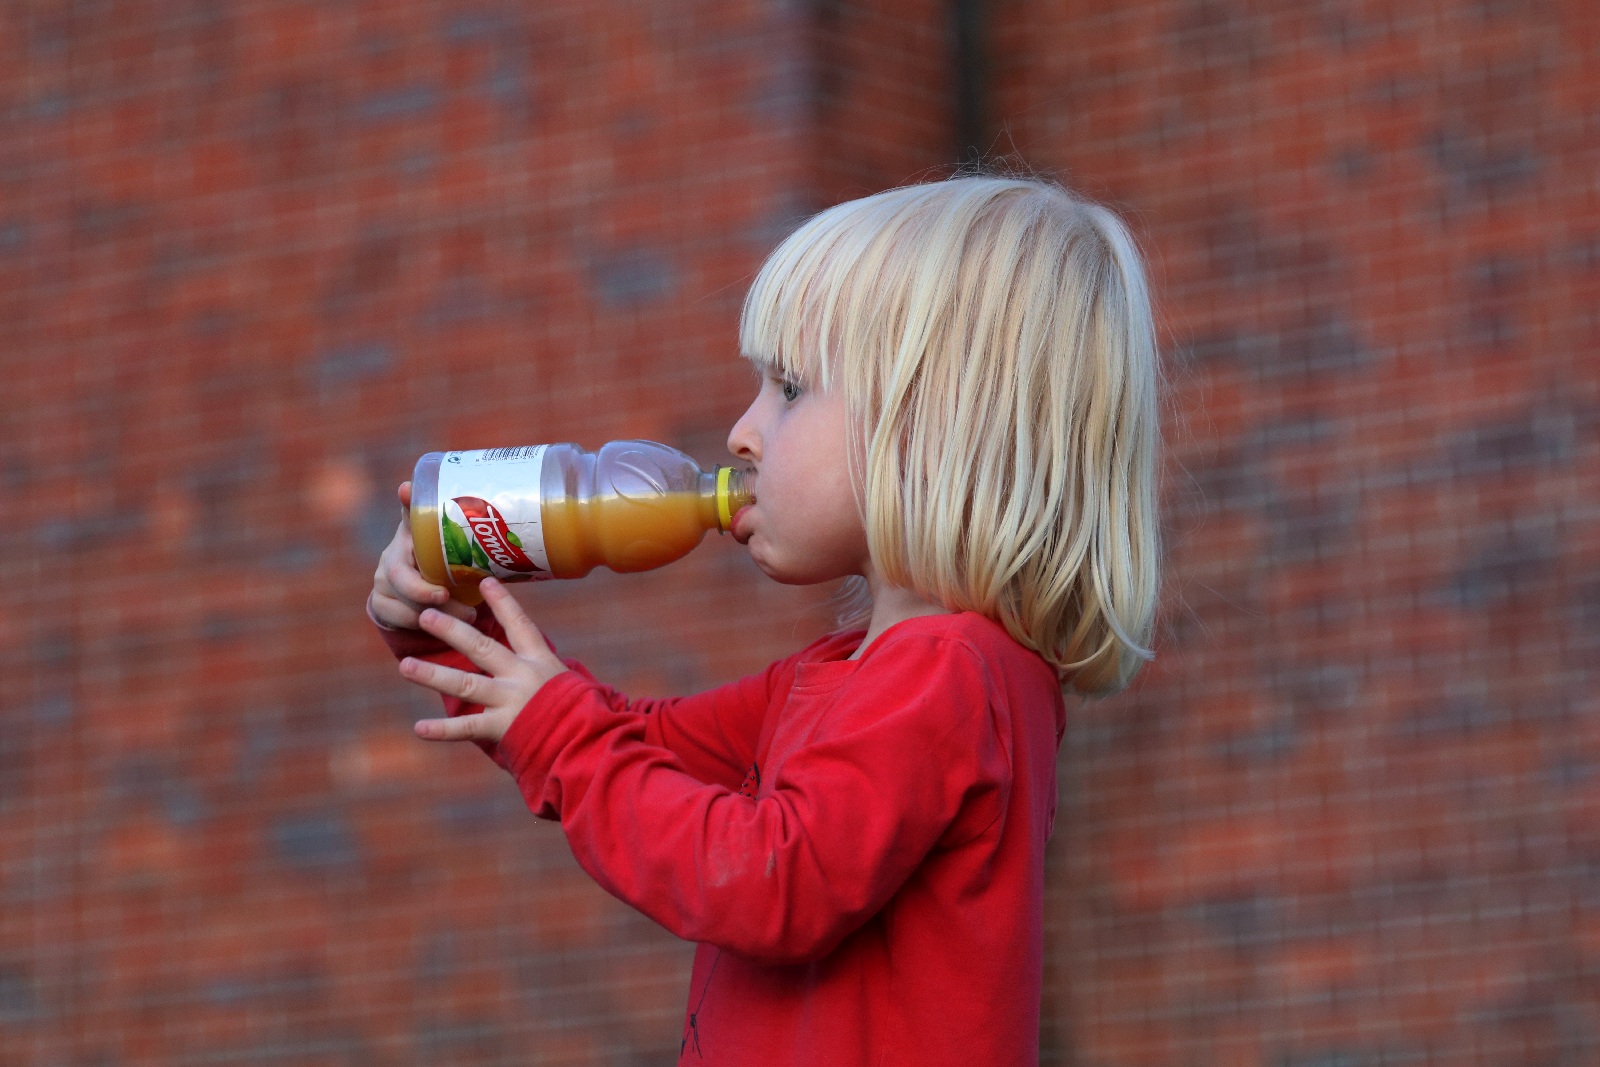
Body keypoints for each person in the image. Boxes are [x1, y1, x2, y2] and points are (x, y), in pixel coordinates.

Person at [367, 172, 1162, 1065]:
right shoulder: (861, 674)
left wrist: (558, 731)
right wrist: (448, 612)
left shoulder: (948, 673)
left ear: (931, 427)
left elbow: (765, 877)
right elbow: (633, 746)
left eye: (788, 387)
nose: (744, 432)